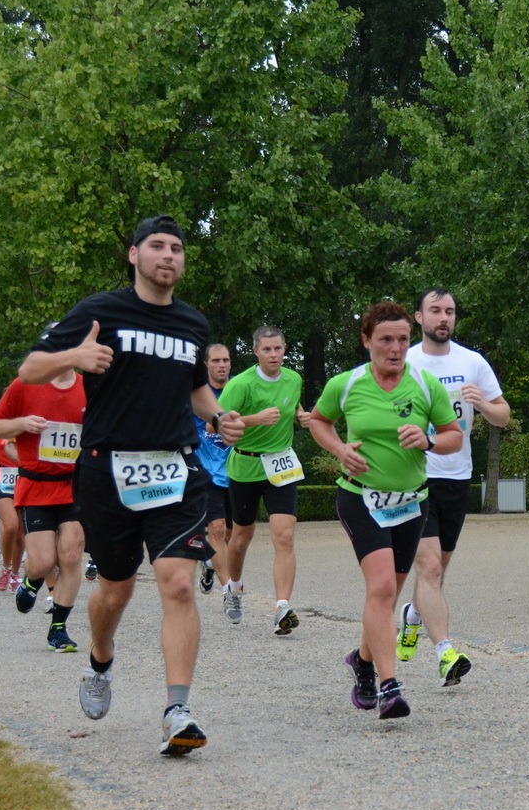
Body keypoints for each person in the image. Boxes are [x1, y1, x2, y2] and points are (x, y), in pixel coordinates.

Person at [18, 214, 243, 755]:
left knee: (178, 583)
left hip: (175, 468)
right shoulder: (100, 311)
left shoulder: (192, 323)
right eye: (157, 246)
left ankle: (177, 711)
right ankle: (100, 658)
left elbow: (196, 390)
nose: (168, 255)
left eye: (177, 249)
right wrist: (74, 357)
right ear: (134, 255)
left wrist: (217, 417)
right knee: (115, 590)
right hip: (107, 470)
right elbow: (30, 368)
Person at [309, 302, 461, 720]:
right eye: (386, 340)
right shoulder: (346, 384)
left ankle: (361, 660)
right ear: (366, 340)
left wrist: (429, 441)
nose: (395, 348)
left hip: (411, 502)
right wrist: (340, 449)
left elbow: (454, 436)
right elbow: (319, 421)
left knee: (388, 594)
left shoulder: (426, 385)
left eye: (402, 339)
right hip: (361, 498)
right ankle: (389, 686)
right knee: (380, 589)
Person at [399, 288, 510, 685]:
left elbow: (503, 416)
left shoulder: (472, 362)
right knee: (428, 565)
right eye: (435, 311)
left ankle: (413, 614)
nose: (443, 317)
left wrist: (483, 404)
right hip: (414, 475)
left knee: (438, 568)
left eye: (449, 311)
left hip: (457, 476)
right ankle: (445, 652)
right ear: (419, 317)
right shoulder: (405, 361)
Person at [0, 369, 86, 651]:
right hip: (36, 487)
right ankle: (30, 583)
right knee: (43, 563)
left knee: (71, 556)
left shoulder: (89, 386)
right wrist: (21, 423)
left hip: (74, 487)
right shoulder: (25, 385)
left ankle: (58, 629)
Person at [218, 325, 305, 634]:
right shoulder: (241, 384)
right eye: (267, 349)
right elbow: (214, 425)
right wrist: (255, 419)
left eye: (278, 348)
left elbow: (293, 406)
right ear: (255, 351)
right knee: (241, 537)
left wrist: (302, 416)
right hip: (246, 465)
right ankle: (234, 588)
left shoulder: (294, 379)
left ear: (285, 349)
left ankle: (282, 606)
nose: (273, 354)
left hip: (281, 465)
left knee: (285, 535)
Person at [193, 343, 233, 594]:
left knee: (230, 534)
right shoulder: (197, 393)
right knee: (216, 528)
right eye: (216, 361)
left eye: (225, 360)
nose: (222, 365)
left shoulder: (239, 387)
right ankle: (229, 591)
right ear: (206, 364)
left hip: (236, 470)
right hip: (206, 469)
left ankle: (210, 562)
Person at [0, 436, 25, 590]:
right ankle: (6, 569)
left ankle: (15, 574)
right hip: (0, 479)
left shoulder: (27, 425)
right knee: (11, 525)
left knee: (20, 533)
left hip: (24, 479)